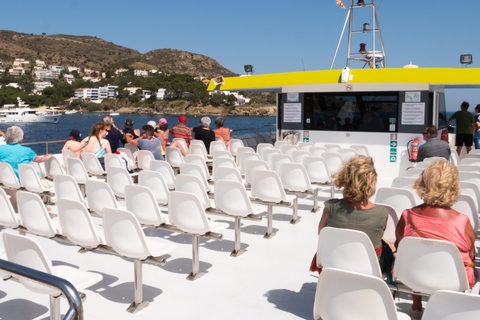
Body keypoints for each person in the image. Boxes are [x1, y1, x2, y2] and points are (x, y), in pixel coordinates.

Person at [395, 160, 475, 319]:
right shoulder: (463, 221)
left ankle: (416, 306)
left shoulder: (407, 216)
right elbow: (471, 255)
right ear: (452, 187)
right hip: (452, 280)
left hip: (413, 276)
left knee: (414, 253)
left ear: (423, 184)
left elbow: (399, 246)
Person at [312, 155, 389, 270]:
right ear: (371, 182)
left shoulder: (331, 207)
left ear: (344, 179)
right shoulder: (382, 213)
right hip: (368, 268)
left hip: (335, 263)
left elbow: (321, 232)